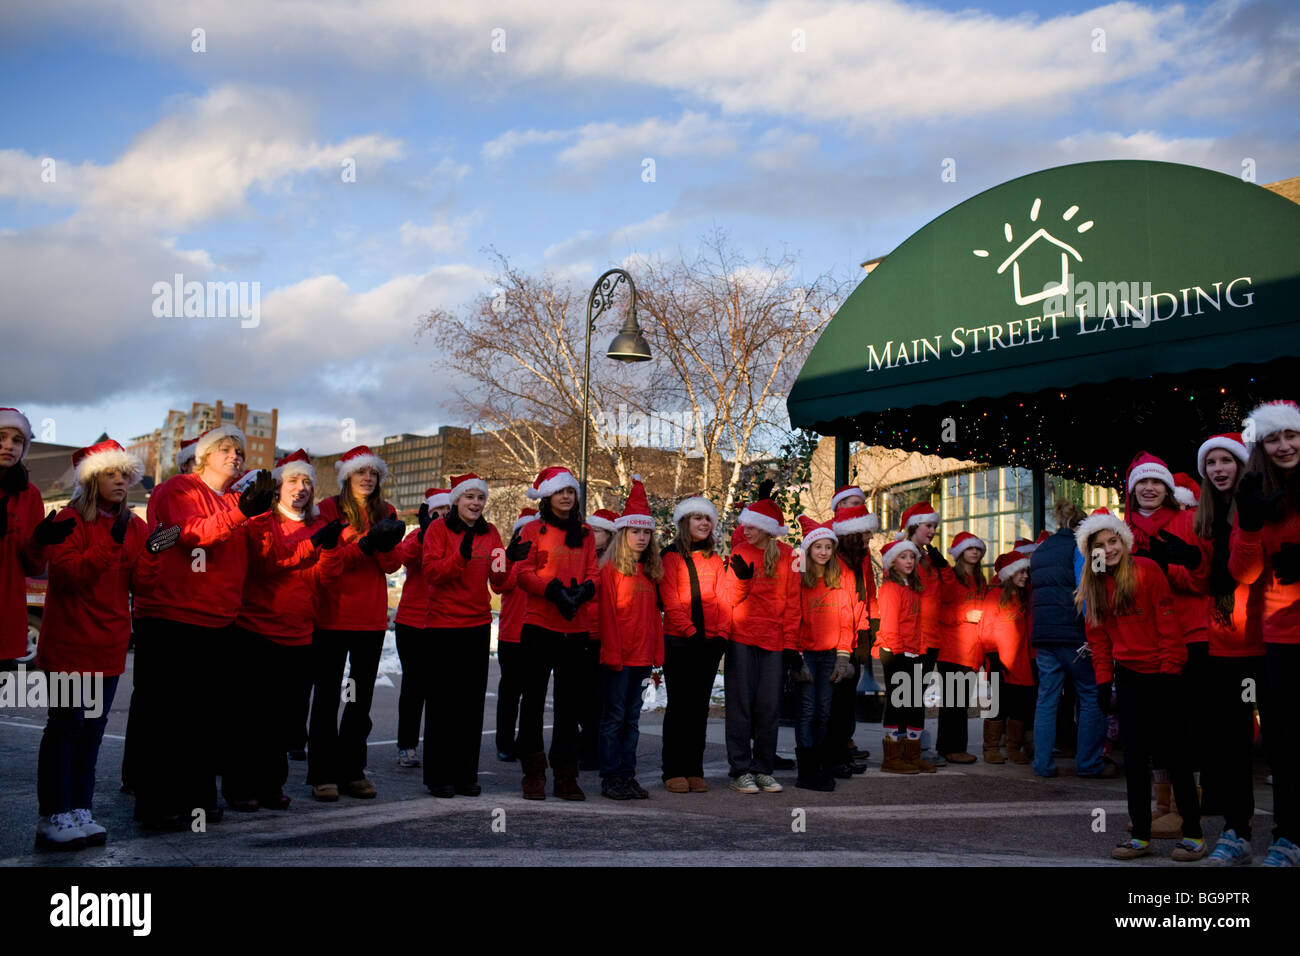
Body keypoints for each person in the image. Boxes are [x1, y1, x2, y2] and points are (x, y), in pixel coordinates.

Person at [130, 424, 273, 829]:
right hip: (172, 616)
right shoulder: (178, 489)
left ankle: (197, 797)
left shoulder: (233, 500)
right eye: (226, 449)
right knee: (168, 717)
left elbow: (258, 559)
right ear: (204, 455)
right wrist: (241, 512)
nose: (235, 457)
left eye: (239, 452)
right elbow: (192, 536)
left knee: (207, 717)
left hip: (219, 618)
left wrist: (259, 515)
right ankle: (156, 803)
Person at [34, 440, 151, 849]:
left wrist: (157, 556)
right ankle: (54, 814)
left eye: (124, 473)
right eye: (110, 473)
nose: (120, 480)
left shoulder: (136, 526)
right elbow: (67, 578)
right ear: (91, 478)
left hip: (109, 646)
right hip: (70, 645)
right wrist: (111, 543)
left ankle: (80, 808)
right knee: (65, 728)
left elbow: (142, 583)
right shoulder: (70, 519)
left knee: (93, 731)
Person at [1075, 508, 1204, 862]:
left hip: (1163, 674)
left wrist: (1169, 672)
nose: (1109, 549)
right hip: (1128, 677)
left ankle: (1193, 833)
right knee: (1134, 759)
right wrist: (1103, 682)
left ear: (1124, 542)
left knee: (1175, 755)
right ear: (1091, 552)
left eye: (1113, 540)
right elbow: (1098, 638)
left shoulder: (1146, 570)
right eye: (1099, 545)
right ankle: (1141, 836)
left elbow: (1168, 627)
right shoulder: (1095, 583)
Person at [226, 450, 345, 812]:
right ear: (277, 487)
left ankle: (270, 784)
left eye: (307, 481)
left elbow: (327, 578)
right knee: (250, 717)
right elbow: (267, 563)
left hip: (299, 634)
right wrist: (313, 545)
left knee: (283, 720)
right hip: (257, 630)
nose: (302, 487)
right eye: (293, 480)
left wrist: (329, 548)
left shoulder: (316, 525)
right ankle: (240, 786)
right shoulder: (264, 520)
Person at [308, 445, 405, 802]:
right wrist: (366, 543)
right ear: (347, 476)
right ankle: (322, 773)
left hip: (369, 619)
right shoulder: (328, 510)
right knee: (327, 697)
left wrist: (388, 542)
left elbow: (392, 566)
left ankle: (353, 771)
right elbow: (326, 564)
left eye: (373, 473)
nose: (367, 478)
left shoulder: (386, 510)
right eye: (361, 472)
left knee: (359, 699)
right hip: (331, 617)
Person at [1185, 431, 1263, 864]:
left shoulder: (1257, 506)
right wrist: (1188, 562)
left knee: (1283, 742)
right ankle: (1237, 831)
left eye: (1226, 460)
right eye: (1210, 462)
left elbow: (1246, 574)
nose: (1218, 469)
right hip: (1224, 643)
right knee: (1233, 743)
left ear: (1243, 465)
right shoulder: (1204, 519)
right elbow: (1204, 585)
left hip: (1265, 639)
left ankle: (1288, 834)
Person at [1229, 400, 1300, 866]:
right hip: (1282, 633)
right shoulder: (1252, 491)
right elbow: (1243, 572)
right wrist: (1251, 526)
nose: (1283, 445)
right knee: (1286, 741)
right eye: (1273, 438)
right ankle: (1287, 837)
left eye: (1291, 435)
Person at [1124, 451, 1210, 836]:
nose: (1148, 488)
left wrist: (1166, 569)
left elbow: (1202, 579)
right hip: (1142, 644)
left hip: (1187, 635)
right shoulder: (1121, 529)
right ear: (1131, 490)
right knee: (1152, 731)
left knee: (1183, 726)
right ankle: (1160, 806)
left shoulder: (1187, 520)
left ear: (1168, 488)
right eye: (1142, 482)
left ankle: (1183, 807)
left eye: (1156, 482)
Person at [420, 473, 511, 797]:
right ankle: (438, 776)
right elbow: (431, 573)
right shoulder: (438, 529)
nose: (475, 503)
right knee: (444, 705)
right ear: (456, 500)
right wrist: (460, 556)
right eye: (469, 497)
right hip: (444, 627)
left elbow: (499, 582)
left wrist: (511, 560)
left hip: (476, 625)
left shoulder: (491, 532)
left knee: (471, 706)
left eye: (480, 498)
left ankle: (465, 774)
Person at [515, 466, 599, 800]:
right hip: (539, 625)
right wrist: (552, 590)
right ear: (547, 496)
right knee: (533, 701)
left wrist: (585, 590)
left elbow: (594, 570)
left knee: (569, 705)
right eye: (560, 491)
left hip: (575, 627)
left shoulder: (586, 532)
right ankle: (533, 772)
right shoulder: (532, 530)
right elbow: (522, 572)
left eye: (571, 492)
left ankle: (566, 773)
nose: (566, 496)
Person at [1029, 497, 1112, 779]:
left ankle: (1042, 763)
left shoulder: (1041, 550)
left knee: (1047, 699)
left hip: (1044, 635)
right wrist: (1098, 625)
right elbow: (1090, 588)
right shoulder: (1083, 548)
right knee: (1091, 694)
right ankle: (1089, 763)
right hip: (1076, 635)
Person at [724, 495, 799, 794]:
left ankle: (763, 768)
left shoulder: (790, 555)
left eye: (753, 525)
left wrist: (791, 644)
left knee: (769, 708)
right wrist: (741, 580)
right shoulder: (740, 551)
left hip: (775, 641)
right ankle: (740, 770)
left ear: (767, 528)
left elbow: (795, 604)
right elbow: (729, 601)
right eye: (746, 525)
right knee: (740, 706)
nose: (747, 529)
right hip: (742, 637)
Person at [595, 477, 663, 800]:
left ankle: (627, 774)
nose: (641, 537)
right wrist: (612, 654)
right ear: (623, 534)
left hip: (640, 659)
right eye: (635, 531)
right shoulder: (610, 571)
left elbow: (653, 618)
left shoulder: (649, 571)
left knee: (632, 722)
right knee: (614, 719)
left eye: (646, 532)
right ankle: (611, 777)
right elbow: (607, 615)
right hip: (617, 659)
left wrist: (657, 655)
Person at [659, 493, 728, 793]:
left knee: (699, 708)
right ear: (685, 522)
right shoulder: (670, 556)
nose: (703, 523)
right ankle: (673, 769)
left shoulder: (715, 559)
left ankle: (694, 768)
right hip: (680, 642)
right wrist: (691, 633)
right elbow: (670, 600)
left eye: (707, 519)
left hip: (709, 644)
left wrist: (721, 635)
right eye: (698, 518)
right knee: (679, 707)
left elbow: (725, 598)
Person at [2, 408, 75, 668]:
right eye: (1, 437)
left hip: (6, 614)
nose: (9, 446)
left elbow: (33, 566)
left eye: (17, 440)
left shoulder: (29, 494)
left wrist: (39, 541)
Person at [792, 515, 860, 791]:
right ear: (809, 549)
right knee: (807, 711)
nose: (823, 552)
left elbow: (847, 619)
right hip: (806, 653)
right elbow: (792, 618)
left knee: (824, 711)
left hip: (831, 654)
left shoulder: (839, 579)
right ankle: (806, 770)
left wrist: (844, 656)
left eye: (828, 547)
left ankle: (820, 763)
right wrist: (796, 657)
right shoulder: (799, 579)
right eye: (817, 547)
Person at [392, 487, 450, 769]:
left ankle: (440, 746)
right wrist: (426, 535)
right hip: (412, 623)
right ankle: (407, 746)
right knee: (414, 687)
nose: (444, 517)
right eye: (439, 512)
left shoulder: (457, 538)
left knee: (440, 688)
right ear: (429, 513)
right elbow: (404, 558)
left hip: (445, 622)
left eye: (449, 511)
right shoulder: (417, 536)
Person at [829, 494, 879, 772]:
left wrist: (872, 624)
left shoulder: (862, 554)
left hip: (858, 628)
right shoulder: (833, 551)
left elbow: (868, 587)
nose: (870, 538)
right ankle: (834, 752)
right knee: (837, 693)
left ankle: (843, 747)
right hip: (838, 632)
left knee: (848, 693)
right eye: (866, 534)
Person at [898, 502, 948, 767]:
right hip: (913, 638)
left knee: (918, 694)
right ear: (915, 526)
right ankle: (906, 750)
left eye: (934, 526)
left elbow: (946, 595)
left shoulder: (929, 560)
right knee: (908, 695)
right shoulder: (903, 556)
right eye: (929, 526)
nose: (932, 531)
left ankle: (913, 748)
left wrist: (945, 568)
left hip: (930, 638)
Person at [876, 538, 931, 773]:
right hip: (895, 652)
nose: (909, 561)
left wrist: (918, 652)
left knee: (914, 704)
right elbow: (889, 626)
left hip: (912, 652)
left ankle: (911, 755)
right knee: (898, 704)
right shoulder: (890, 588)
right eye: (903, 557)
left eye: (912, 557)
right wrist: (900, 654)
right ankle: (892, 758)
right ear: (892, 562)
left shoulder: (913, 587)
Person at [979, 550, 1034, 764]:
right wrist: (992, 657)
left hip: (1020, 663)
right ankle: (991, 747)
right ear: (1009, 574)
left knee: (1020, 707)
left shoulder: (1023, 596)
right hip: (999, 661)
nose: (1025, 576)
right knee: (999, 706)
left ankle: (1013, 748)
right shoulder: (995, 595)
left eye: (1026, 572)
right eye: (1020, 572)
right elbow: (986, 628)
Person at [937, 530, 987, 764]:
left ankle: (952, 746)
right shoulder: (950, 578)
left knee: (961, 701)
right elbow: (940, 612)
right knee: (954, 702)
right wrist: (966, 614)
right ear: (960, 553)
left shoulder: (980, 579)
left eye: (977, 549)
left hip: (972, 649)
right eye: (970, 548)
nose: (974, 552)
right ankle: (952, 747)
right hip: (952, 649)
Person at [495, 507, 537, 762]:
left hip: (536, 634)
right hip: (511, 635)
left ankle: (527, 741)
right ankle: (504, 742)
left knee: (533, 694)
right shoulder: (504, 555)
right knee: (510, 694)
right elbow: (499, 584)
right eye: (522, 532)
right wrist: (515, 560)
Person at [579, 507, 617, 770]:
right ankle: (585, 746)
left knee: (601, 697)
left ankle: (596, 749)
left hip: (604, 636)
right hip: (582, 633)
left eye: (598, 531)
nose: (592, 534)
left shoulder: (613, 563)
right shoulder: (583, 556)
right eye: (590, 530)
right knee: (583, 697)